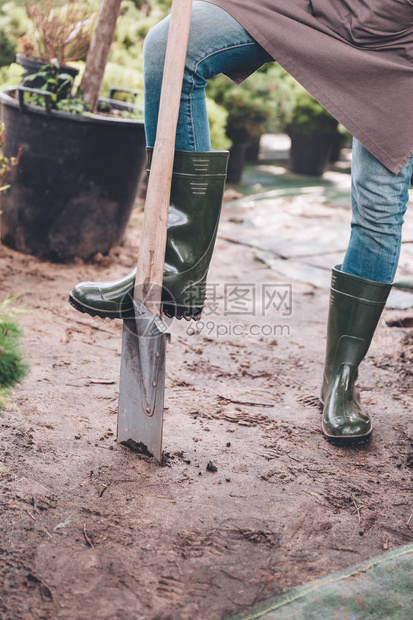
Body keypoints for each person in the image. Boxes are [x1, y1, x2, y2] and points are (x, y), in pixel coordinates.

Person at [69, 0, 413, 444]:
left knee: (380, 202)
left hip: (395, 38)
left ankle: (341, 377)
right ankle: (174, 269)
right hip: (306, 5)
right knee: (170, 45)